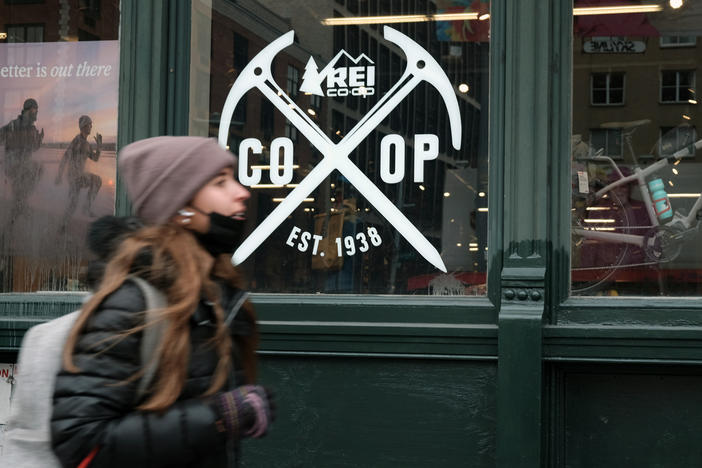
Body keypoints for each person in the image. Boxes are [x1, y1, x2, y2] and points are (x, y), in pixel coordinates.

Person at [50, 136, 274, 468]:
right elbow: (80, 441)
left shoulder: (213, 293)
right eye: (220, 182)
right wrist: (215, 417)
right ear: (179, 205)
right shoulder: (133, 303)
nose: (241, 192)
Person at [0, 98, 44, 224]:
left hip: (24, 167)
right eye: (35, 110)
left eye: (37, 110)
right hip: (13, 165)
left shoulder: (32, 129)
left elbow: (34, 148)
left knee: (38, 169)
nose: (36, 113)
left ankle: (19, 206)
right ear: (29, 109)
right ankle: (20, 204)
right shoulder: (13, 125)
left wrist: (39, 141)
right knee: (35, 169)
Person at [56, 115, 103, 220]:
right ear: (83, 126)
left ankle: (63, 226)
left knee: (73, 204)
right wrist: (59, 175)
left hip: (80, 175)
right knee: (96, 181)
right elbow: (65, 158)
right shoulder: (77, 141)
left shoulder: (87, 144)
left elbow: (95, 158)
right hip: (74, 176)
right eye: (89, 124)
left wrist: (99, 147)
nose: (91, 126)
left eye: (91, 124)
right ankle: (84, 209)